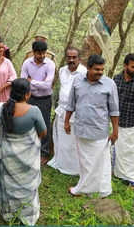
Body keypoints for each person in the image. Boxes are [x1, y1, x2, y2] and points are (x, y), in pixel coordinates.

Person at [0, 78, 47, 225]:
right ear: (27, 95)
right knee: (28, 187)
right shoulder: (34, 111)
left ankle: (10, 213)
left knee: (9, 184)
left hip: (7, 154)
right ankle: (27, 215)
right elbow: (43, 132)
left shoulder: (1, 109)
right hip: (28, 155)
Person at [65, 54, 119, 197]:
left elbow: (114, 110)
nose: (100, 72)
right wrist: (66, 121)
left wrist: (115, 131)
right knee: (85, 163)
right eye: (97, 69)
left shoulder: (109, 84)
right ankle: (87, 187)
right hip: (81, 129)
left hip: (99, 131)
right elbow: (71, 104)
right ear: (88, 68)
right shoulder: (77, 81)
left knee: (101, 162)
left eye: (102, 70)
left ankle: (99, 189)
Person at [47, 47, 87, 175]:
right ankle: (61, 162)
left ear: (79, 59)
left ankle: (72, 167)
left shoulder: (84, 72)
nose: (71, 60)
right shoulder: (62, 71)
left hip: (76, 111)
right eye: (69, 57)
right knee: (61, 137)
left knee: (72, 139)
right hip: (62, 109)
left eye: (74, 57)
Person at [113, 53, 134, 186]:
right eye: (133, 67)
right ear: (125, 65)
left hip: (132, 123)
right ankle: (117, 173)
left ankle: (130, 177)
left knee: (130, 151)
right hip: (116, 121)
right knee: (116, 148)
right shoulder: (116, 80)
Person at [21, 40, 55, 164]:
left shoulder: (50, 64)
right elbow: (24, 81)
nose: (41, 56)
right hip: (30, 98)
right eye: (38, 53)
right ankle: (29, 149)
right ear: (33, 52)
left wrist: (32, 81)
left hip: (45, 99)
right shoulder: (27, 63)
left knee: (44, 124)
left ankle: (44, 153)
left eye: (43, 53)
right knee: (28, 123)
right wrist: (37, 83)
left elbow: (47, 85)